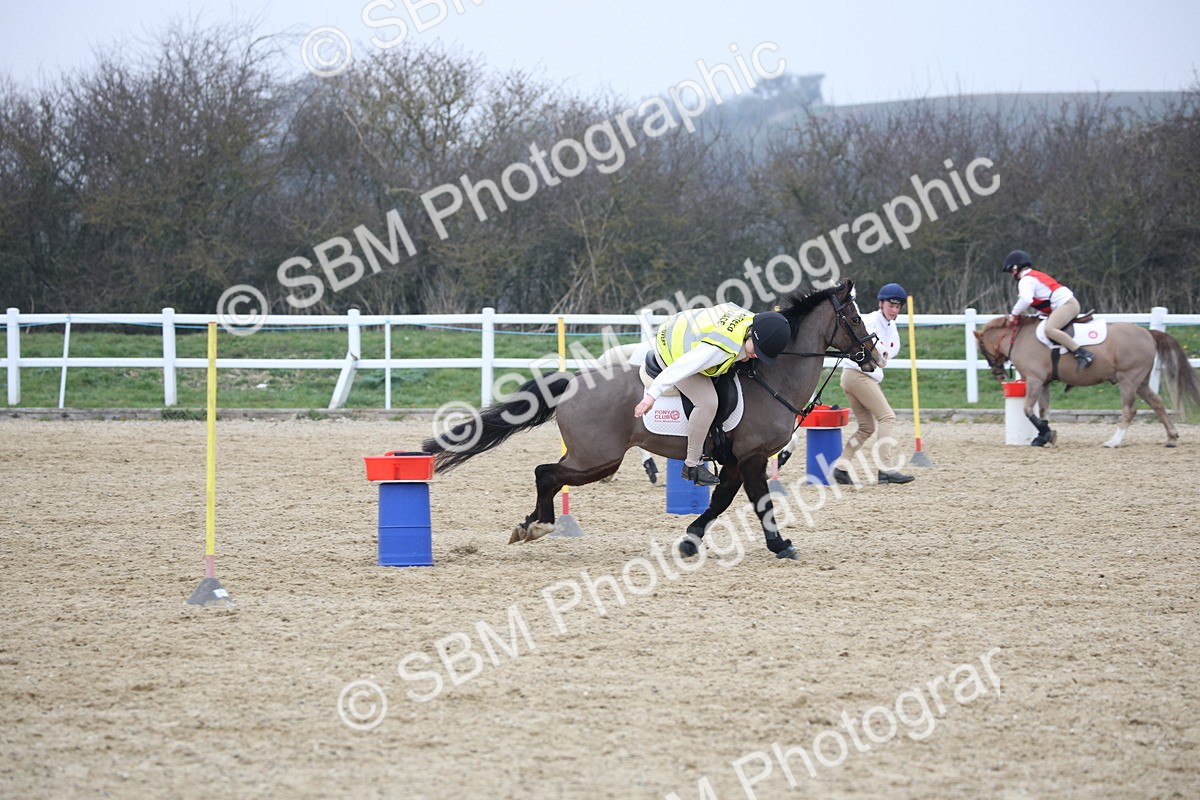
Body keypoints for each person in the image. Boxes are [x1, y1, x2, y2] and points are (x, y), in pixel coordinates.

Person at [634, 304, 791, 485]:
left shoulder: (752, 321)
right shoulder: (721, 348)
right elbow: (683, 366)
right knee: (707, 402)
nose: (756, 356)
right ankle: (692, 465)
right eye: (757, 350)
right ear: (750, 334)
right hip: (672, 351)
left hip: (681, 328)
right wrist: (651, 395)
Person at [831, 283, 915, 486]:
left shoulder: (891, 327)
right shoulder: (870, 321)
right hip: (858, 375)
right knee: (887, 417)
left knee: (866, 427)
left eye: (897, 307)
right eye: (890, 305)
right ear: (881, 303)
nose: (894, 310)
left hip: (857, 377)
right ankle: (885, 469)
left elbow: (888, 352)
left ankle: (841, 467)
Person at [1003, 250, 1094, 369]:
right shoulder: (1032, 276)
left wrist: (1014, 314)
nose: (1012, 273)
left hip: (1067, 305)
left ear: (1016, 267)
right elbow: (1045, 300)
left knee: (1050, 329)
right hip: (1066, 304)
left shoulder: (1025, 280)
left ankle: (1082, 354)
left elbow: (1026, 299)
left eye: (1011, 270)